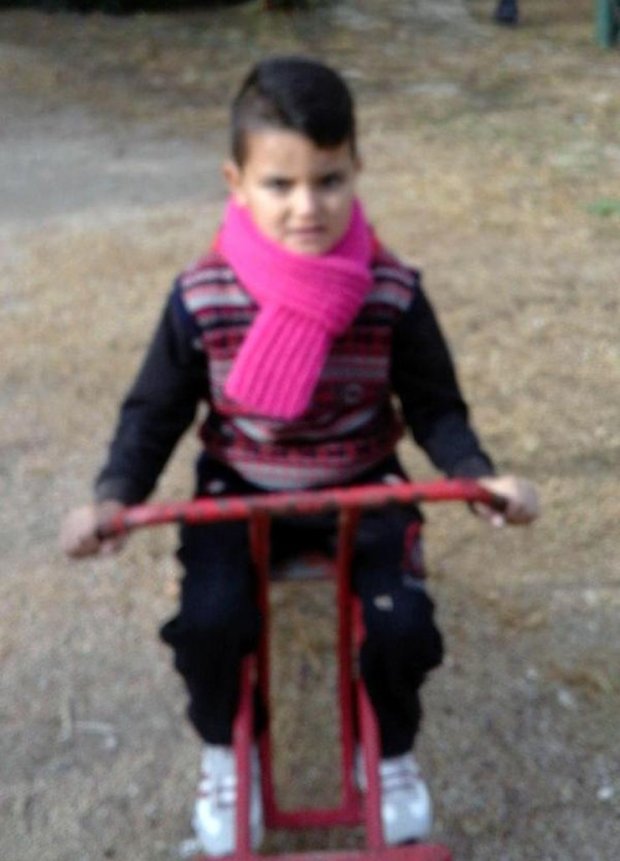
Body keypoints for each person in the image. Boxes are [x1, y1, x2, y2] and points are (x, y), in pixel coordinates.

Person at [60, 56, 539, 855]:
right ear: (237, 182)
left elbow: (435, 405)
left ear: (357, 168)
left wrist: (476, 473)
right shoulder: (204, 294)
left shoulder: (391, 291)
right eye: (280, 184)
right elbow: (154, 413)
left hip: (365, 484)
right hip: (240, 486)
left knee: (402, 625)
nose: (307, 206)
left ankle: (389, 752)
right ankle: (226, 751)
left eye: (329, 179)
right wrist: (113, 494)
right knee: (210, 624)